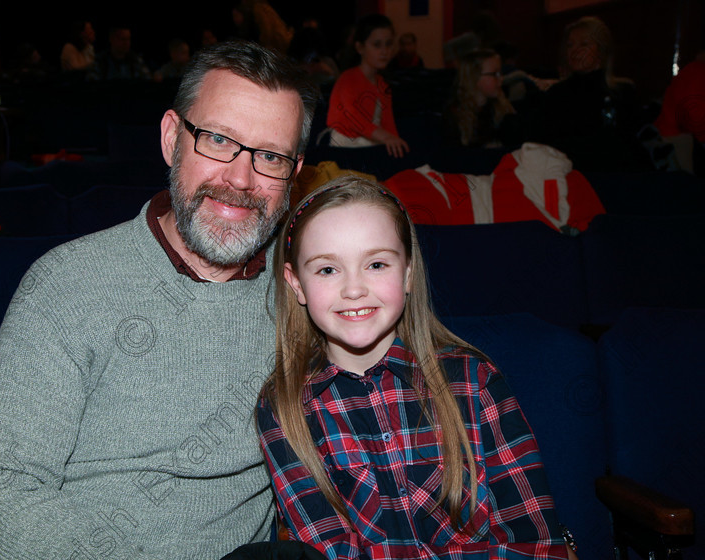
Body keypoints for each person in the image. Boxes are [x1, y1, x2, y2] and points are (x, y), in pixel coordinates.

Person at [0, 40, 319, 559]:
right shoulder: (67, 284)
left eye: (270, 156)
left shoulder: (309, 290)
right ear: (172, 139)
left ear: (293, 173)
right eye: (217, 139)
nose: (240, 178)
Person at [256, 176, 573, 559]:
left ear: (407, 274)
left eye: (375, 264)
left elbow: (535, 541)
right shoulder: (285, 409)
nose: (354, 289)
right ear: (296, 285)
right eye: (327, 270)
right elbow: (331, 550)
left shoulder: (476, 382)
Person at [529, 16, 648, 171]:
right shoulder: (556, 94)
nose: (575, 50)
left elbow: (632, 143)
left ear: (601, 50)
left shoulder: (622, 92)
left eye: (584, 44)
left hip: (619, 175)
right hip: (570, 175)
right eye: (570, 45)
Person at [326, 14, 409, 158]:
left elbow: (388, 122)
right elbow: (354, 119)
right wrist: (386, 138)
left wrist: (395, 143)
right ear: (360, 47)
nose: (384, 51)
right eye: (377, 45)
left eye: (388, 44)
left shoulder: (382, 84)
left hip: (371, 143)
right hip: (345, 147)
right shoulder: (348, 79)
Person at [442, 48, 521, 147]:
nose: (501, 78)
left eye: (500, 73)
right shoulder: (455, 115)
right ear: (474, 77)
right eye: (494, 74)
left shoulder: (501, 109)